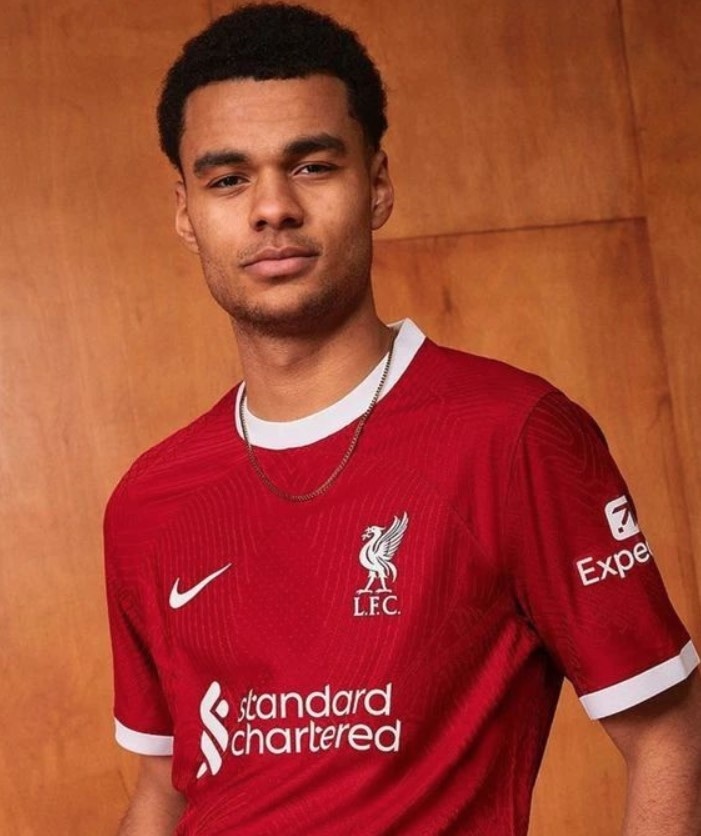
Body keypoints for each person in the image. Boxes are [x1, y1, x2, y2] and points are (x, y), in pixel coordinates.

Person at [104, 4, 701, 834]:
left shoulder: (513, 436)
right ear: (185, 211)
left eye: (312, 165)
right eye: (228, 178)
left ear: (376, 185)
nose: (272, 207)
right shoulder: (148, 500)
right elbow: (163, 785)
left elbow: (670, 732)